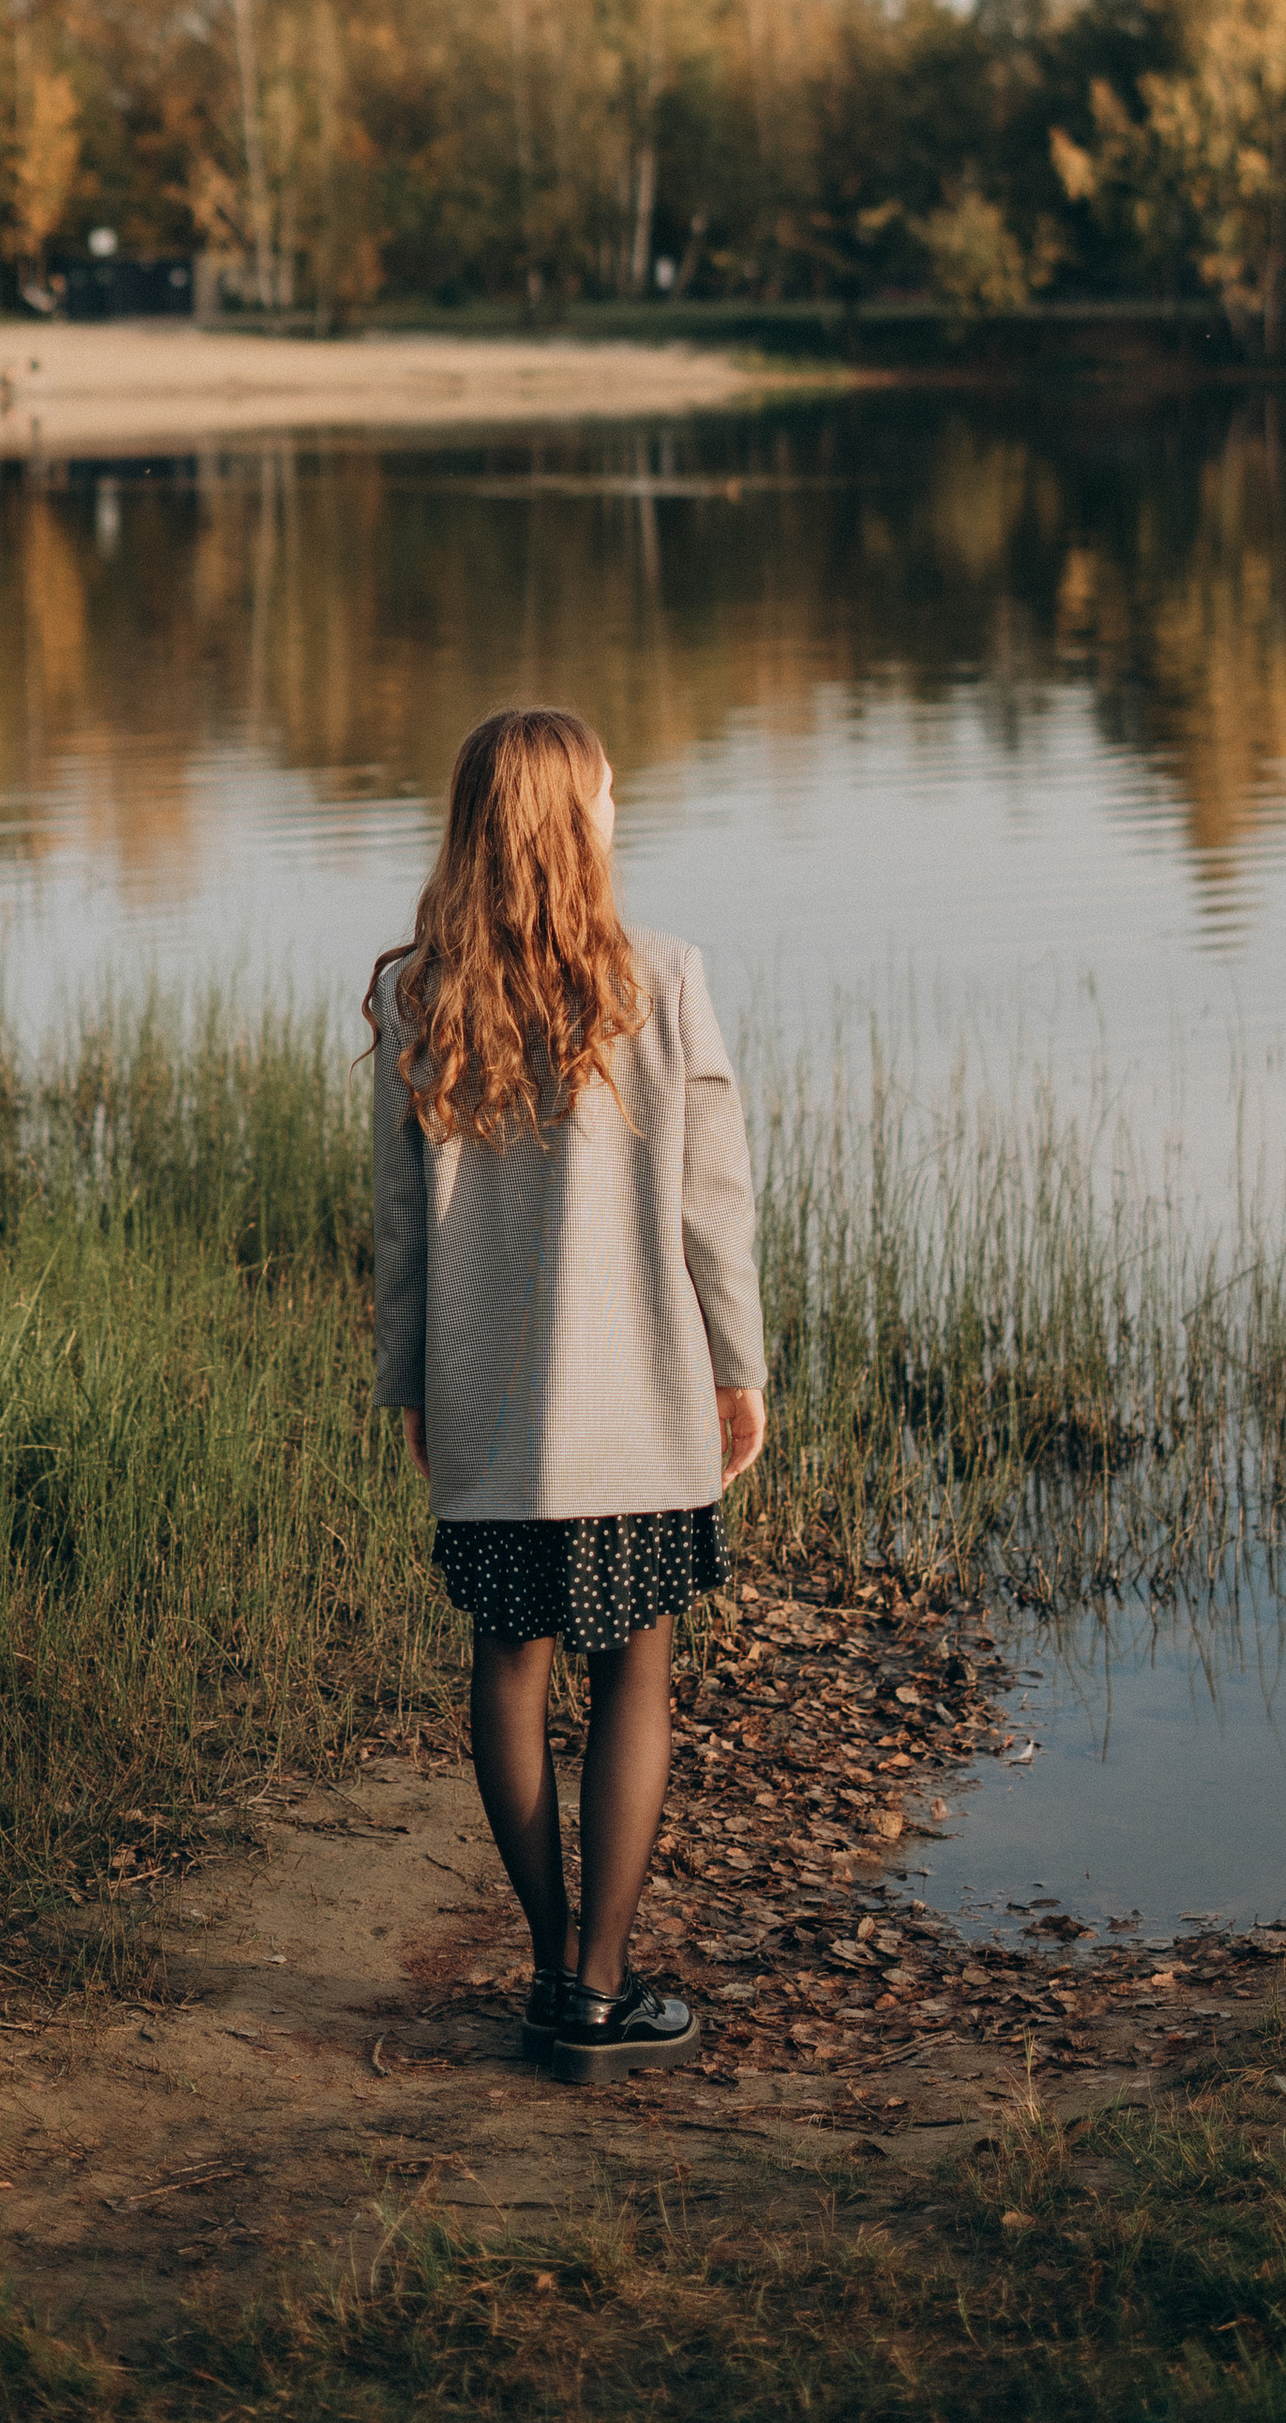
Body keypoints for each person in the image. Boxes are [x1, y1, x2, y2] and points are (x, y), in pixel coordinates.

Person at [366, 705, 768, 2084]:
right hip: (634, 1401)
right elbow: (715, 1208)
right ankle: (600, 1989)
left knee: (510, 1664)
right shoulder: (662, 976)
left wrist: (407, 1382)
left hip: (488, 1405)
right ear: (571, 820)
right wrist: (739, 1364)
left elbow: (401, 1227)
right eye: (608, 790)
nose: (619, 807)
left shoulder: (418, 993)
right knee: (635, 1668)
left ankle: (546, 1966)